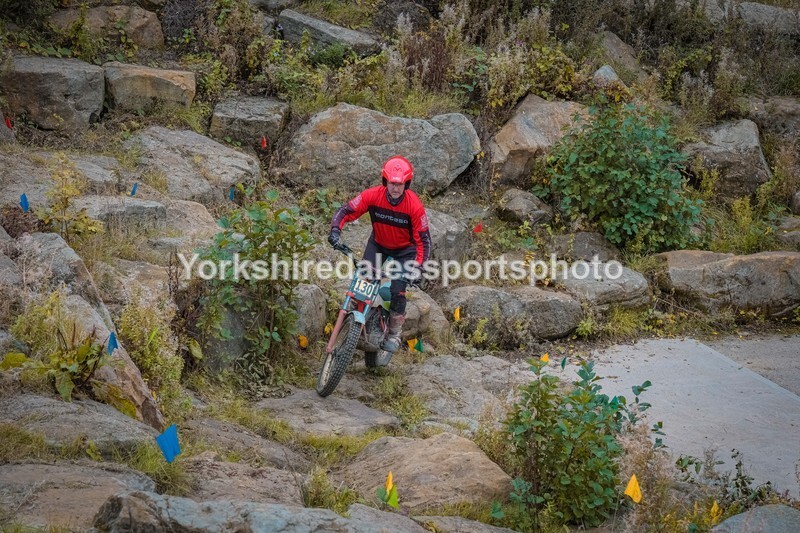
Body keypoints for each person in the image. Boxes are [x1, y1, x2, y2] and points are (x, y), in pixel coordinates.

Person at [328, 155, 431, 353]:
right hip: (379, 244)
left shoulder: (414, 206)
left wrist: (418, 268)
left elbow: (424, 242)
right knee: (364, 281)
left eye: (400, 184)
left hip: (405, 251)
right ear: (385, 181)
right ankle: (358, 324)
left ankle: (394, 332)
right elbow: (346, 211)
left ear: (406, 184)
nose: (395, 188)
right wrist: (335, 230)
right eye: (392, 183)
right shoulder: (372, 195)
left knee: (398, 289)